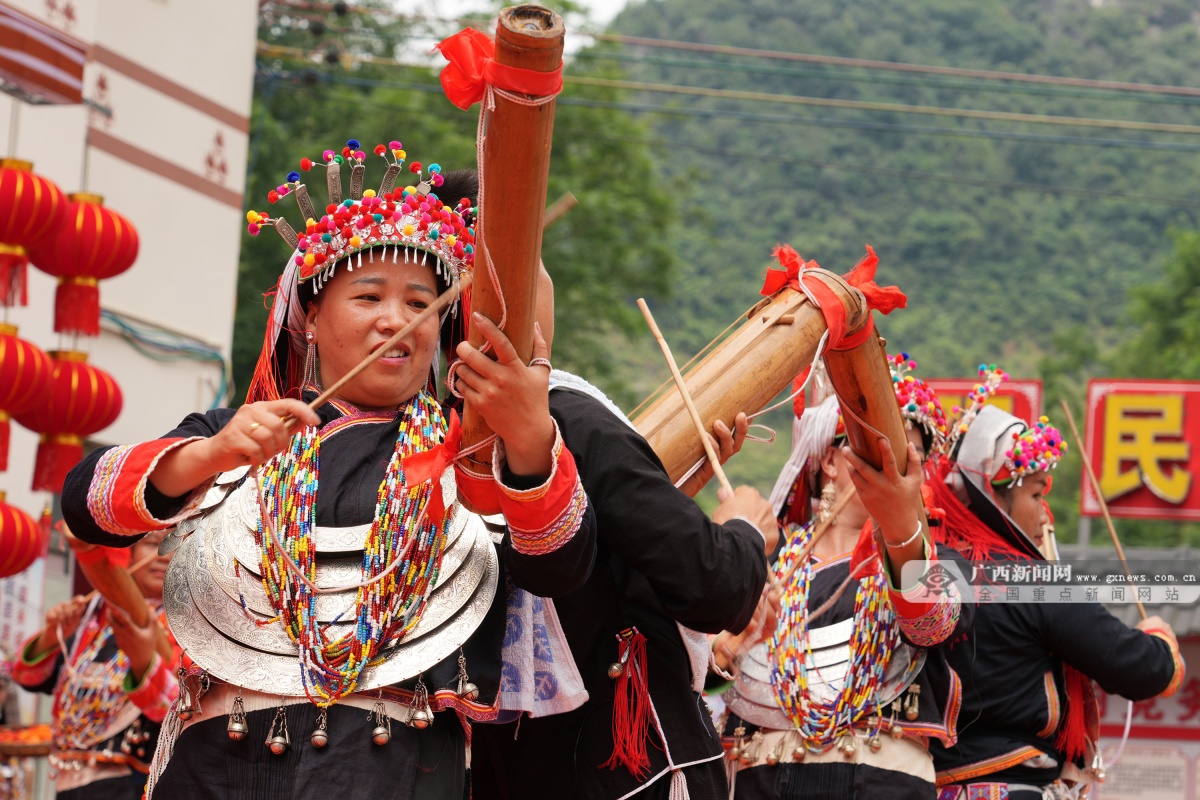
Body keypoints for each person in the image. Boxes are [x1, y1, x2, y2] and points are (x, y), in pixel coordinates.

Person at [60, 139, 596, 800]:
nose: (396, 321)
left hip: (391, 761)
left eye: (419, 301)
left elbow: (559, 566)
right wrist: (213, 454)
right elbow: (87, 505)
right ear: (311, 316)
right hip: (215, 760)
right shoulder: (242, 435)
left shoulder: (468, 451)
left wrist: (533, 434)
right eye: (369, 297)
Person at [469, 217, 780, 800]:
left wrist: (671, 483)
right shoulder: (573, 421)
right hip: (625, 762)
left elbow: (589, 561)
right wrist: (744, 529)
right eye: (535, 264)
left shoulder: (421, 440)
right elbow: (718, 585)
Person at [716, 353, 972, 800]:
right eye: (878, 450)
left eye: (910, 460)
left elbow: (934, 624)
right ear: (831, 461)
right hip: (761, 777)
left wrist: (898, 530)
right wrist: (729, 641)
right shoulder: (764, 564)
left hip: (881, 781)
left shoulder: (944, 563)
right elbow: (698, 669)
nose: (893, 469)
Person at [928, 401, 1185, 799]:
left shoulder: (930, 577)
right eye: (1034, 496)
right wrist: (1162, 645)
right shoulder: (1031, 581)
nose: (1045, 516)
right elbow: (1136, 666)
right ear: (993, 498)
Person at [13, 531, 178, 799]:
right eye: (152, 545)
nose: (165, 556)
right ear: (129, 553)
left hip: (131, 784)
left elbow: (176, 708)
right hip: (68, 783)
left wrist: (143, 660)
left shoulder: (184, 628)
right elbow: (26, 677)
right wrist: (52, 636)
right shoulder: (94, 616)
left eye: (175, 547)